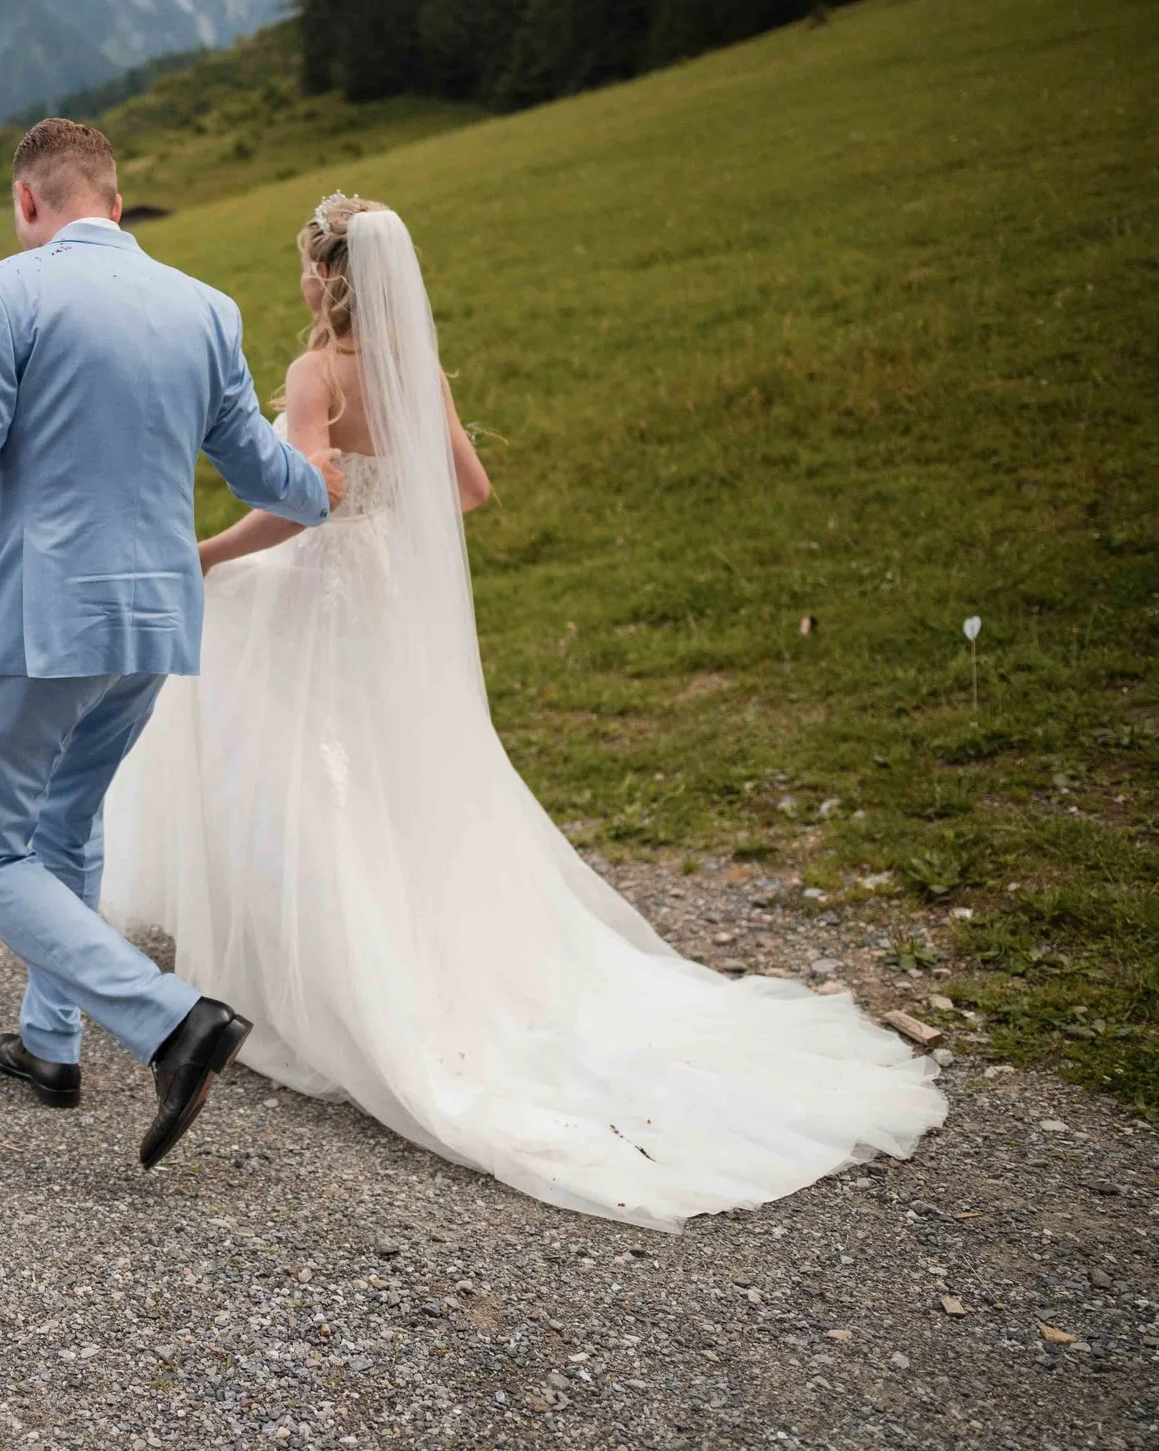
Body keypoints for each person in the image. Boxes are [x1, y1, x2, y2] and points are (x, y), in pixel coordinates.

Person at [102, 195, 944, 1229]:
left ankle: (308, 969)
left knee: (282, 747)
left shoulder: (315, 373)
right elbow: (467, 489)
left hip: (318, 589)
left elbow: (302, 500)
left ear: (324, 279)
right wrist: (386, 516)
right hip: (382, 597)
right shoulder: (422, 373)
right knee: (392, 768)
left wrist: (205, 554)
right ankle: (401, 935)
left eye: (304, 269)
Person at [0, 119, 341, 1171]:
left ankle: (170, 1022)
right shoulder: (205, 307)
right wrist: (327, 490)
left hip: (43, 624)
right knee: (64, 824)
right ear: (114, 199)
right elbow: (256, 461)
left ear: (29, 202)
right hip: (153, 625)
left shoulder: (3, 294)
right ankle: (47, 1043)